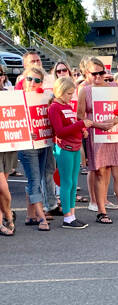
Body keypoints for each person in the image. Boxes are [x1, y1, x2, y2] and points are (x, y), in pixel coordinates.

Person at [77, 57, 118, 223]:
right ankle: (101, 212)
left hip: (115, 135)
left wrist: (114, 121)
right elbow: (80, 115)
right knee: (101, 173)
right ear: (87, 74)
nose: (98, 77)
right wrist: (97, 124)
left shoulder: (115, 87)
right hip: (97, 136)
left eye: (101, 73)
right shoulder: (85, 91)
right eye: (94, 74)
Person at [49, 77, 92, 229]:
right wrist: (81, 124)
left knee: (73, 182)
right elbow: (60, 131)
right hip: (63, 148)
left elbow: (71, 125)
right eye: (68, 93)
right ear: (60, 92)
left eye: (72, 93)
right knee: (66, 182)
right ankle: (67, 216)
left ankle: (72, 214)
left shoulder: (66, 106)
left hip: (74, 146)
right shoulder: (55, 107)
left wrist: (81, 130)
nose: (71, 96)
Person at [17, 67, 51, 231]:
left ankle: (31, 215)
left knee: (36, 180)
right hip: (26, 146)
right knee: (34, 181)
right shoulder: (16, 98)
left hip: (42, 143)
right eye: (30, 79)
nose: (33, 83)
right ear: (23, 79)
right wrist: (25, 132)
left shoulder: (45, 98)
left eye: (37, 80)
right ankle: (41, 217)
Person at [0, 67, 16, 236]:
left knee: (2, 185)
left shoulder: (10, 95)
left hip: (8, 145)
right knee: (2, 186)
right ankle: (8, 216)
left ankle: (4, 218)